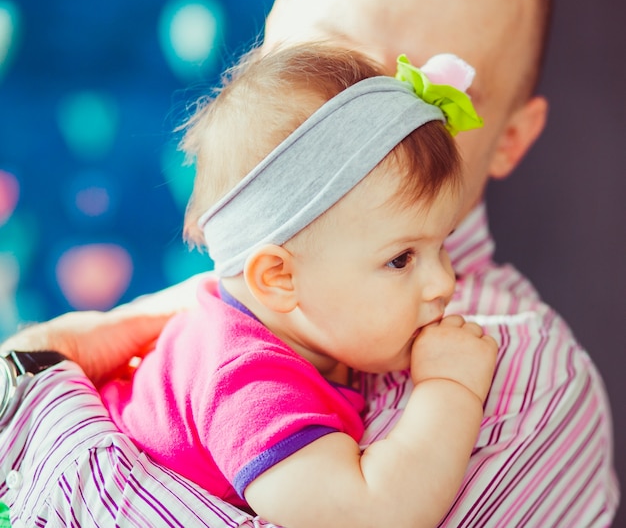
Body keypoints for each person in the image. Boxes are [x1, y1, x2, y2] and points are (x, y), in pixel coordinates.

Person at [0, 0, 619, 526]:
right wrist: (448, 391)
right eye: (334, 56)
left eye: (429, 98)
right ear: (272, 37)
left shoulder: (526, 376)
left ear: (511, 136)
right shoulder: (244, 369)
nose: (368, 138)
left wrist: (38, 388)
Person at [96, 42, 496, 528]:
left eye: (443, 244)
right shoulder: (246, 381)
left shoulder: (281, 330)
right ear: (279, 278)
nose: (444, 283)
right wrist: (450, 389)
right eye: (400, 258)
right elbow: (369, 515)